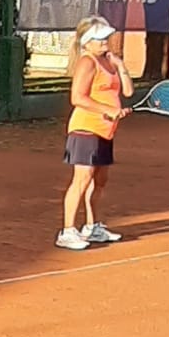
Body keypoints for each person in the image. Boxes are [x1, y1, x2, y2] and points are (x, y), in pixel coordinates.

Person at [57, 15, 134, 252]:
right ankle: (67, 231)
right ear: (87, 42)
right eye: (100, 38)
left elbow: (128, 92)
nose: (105, 42)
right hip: (85, 129)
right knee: (82, 179)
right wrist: (107, 110)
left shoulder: (108, 61)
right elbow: (77, 97)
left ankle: (92, 226)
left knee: (100, 181)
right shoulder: (87, 62)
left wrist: (120, 65)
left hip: (105, 131)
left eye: (106, 37)